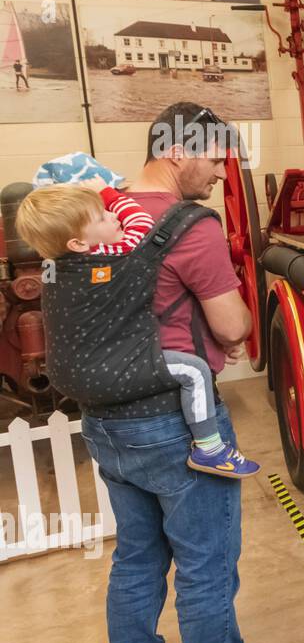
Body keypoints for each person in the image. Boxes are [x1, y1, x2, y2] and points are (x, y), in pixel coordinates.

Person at [74, 102, 302, 643]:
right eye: (212, 158)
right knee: (205, 567)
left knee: (137, 560)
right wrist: (250, 312)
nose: (220, 174)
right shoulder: (187, 225)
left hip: (106, 421)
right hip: (180, 422)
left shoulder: (97, 210)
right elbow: (231, 330)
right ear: (177, 151)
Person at [14, 179, 261, 477]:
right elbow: (140, 221)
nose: (113, 216)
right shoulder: (116, 256)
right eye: (103, 216)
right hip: (116, 374)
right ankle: (209, 448)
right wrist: (109, 193)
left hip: (75, 383)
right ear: (79, 243)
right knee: (194, 371)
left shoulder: (53, 267)